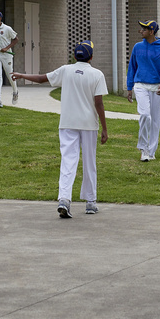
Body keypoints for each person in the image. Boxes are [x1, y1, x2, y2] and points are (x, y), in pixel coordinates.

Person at [12, 40, 108, 218]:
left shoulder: (65, 70)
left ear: (74, 56)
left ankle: (64, 199)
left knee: (68, 161)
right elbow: (99, 103)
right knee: (89, 162)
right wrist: (104, 128)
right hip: (88, 124)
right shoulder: (97, 74)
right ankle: (90, 202)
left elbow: (41, 79)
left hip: (67, 123)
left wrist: (22, 75)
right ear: (91, 57)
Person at [126, 20, 160, 162]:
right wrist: (129, 87)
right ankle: (143, 149)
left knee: (155, 120)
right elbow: (132, 67)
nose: (141, 31)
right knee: (145, 115)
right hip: (140, 86)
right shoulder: (137, 47)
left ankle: (151, 151)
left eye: (144, 29)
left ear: (151, 32)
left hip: (156, 86)